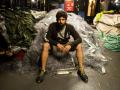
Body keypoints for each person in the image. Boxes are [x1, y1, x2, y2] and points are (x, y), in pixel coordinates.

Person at [36, 10, 88, 83]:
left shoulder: (70, 27)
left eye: (63, 19)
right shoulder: (52, 26)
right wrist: (56, 44)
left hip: (65, 46)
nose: (61, 21)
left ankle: (81, 70)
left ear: (66, 20)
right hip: (56, 46)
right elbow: (47, 38)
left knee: (79, 45)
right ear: (57, 19)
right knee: (45, 45)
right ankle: (43, 70)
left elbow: (79, 39)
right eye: (59, 19)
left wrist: (70, 45)